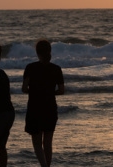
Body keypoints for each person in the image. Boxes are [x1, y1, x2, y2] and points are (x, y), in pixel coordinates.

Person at [22, 39, 65, 167]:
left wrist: (35, 91)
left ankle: (44, 166)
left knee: (36, 142)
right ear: (49, 51)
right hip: (50, 107)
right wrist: (50, 92)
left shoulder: (30, 68)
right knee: (48, 142)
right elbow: (61, 90)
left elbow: (24, 88)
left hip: (35, 107)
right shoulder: (56, 69)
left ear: (37, 52)